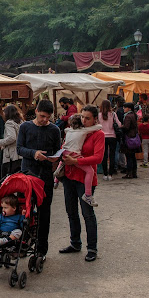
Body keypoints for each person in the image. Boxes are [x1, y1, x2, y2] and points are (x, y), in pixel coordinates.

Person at [59, 105, 105, 262]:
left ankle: (92, 248)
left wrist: (76, 160)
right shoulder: (74, 129)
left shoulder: (98, 134)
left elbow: (98, 158)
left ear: (95, 119)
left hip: (85, 178)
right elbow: (65, 146)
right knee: (71, 212)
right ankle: (75, 243)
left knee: (88, 214)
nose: (84, 120)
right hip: (69, 175)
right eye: (83, 117)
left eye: (88, 118)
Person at [16, 99, 61, 258]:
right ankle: (22, 244)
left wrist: (55, 160)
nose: (44, 120)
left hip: (46, 176)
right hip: (28, 174)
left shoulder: (54, 130)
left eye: (47, 118)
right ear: (36, 111)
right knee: (25, 210)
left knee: (44, 213)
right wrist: (34, 153)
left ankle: (41, 249)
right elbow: (19, 148)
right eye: (42, 116)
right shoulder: (25, 127)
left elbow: (58, 150)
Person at [55, 114, 102, 206]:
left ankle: (56, 181)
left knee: (62, 162)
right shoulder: (83, 131)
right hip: (74, 154)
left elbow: (66, 129)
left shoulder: (68, 130)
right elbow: (98, 127)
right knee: (90, 171)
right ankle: (88, 194)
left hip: (64, 151)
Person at [0, 104, 23, 177]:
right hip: (20, 154)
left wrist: (1, 142)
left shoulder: (9, 123)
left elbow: (12, 137)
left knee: (9, 179)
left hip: (12, 156)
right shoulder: (21, 122)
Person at [98, 99, 121, 181]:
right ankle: (110, 174)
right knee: (112, 155)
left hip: (102, 137)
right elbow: (119, 124)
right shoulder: (113, 114)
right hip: (112, 136)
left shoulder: (99, 115)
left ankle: (104, 173)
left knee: (104, 156)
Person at [121, 102, 139, 179]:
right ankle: (134, 172)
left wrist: (121, 127)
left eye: (125, 107)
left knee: (129, 156)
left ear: (129, 108)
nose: (124, 109)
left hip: (129, 137)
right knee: (133, 156)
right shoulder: (134, 115)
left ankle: (129, 173)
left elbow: (126, 127)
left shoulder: (128, 116)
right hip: (134, 136)